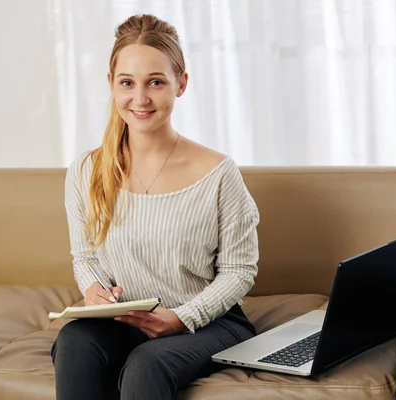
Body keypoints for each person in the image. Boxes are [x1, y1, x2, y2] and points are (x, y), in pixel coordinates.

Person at [51, 14, 260, 400]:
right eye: (127, 83)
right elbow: (84, 257)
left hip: (207, 321)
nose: (140, 98)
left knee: (148, 363)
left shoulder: (218, 173)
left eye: (156, 82)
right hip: (126, 318)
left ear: (181, 84)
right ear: (111, 84)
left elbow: (239, 271)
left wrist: (183, 318)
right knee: (75, 340)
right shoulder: (85, 170)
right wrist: (93, 289)